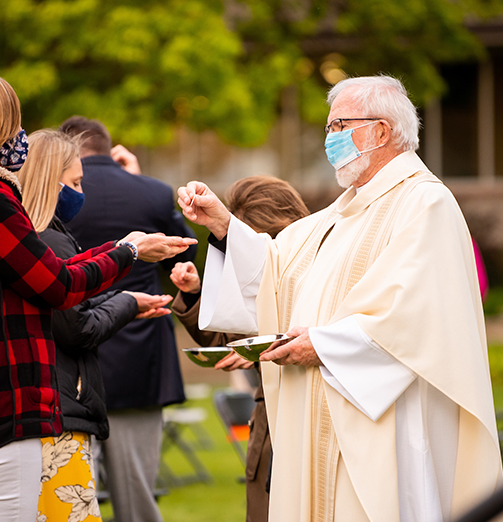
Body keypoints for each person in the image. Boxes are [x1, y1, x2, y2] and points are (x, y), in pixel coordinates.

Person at [177, 75, 503, 522]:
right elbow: (276, 269)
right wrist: (222, 224)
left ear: (382, 131)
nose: (329, 139)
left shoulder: (425, 204)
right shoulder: (340, 212)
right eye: (329, 128)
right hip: (323, 409)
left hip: (382, 421)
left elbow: (415, 318)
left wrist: (325, 345)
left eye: (338, 126)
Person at [0, 66, 196, 522]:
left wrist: (121, 249)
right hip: (1, 403)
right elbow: (57, 286)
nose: (19, 135)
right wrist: (129, 252)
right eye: (11, 122)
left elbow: (41, 270)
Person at [19, 129, 178, 522]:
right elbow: (75, 325)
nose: (80, 192)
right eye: (74, 183)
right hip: (63, 401)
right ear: (50, 179)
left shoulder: (34, 237)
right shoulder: (50, 240)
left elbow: (74, 295)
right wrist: (127, 300)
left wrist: (125, 301)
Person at [60, 116, 197, 522]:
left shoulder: (48, 197)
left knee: (67, 495)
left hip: (71, 357)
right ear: (109, 146)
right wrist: (143, 184)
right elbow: (184, 251)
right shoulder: (153, 192)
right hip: (140, 354)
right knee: (136, 497)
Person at [170, 175, 310, 522]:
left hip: (306, 420)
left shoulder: (312, 267)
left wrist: (265, 348)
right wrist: (195, 294)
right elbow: (227, 338)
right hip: (266, 425)